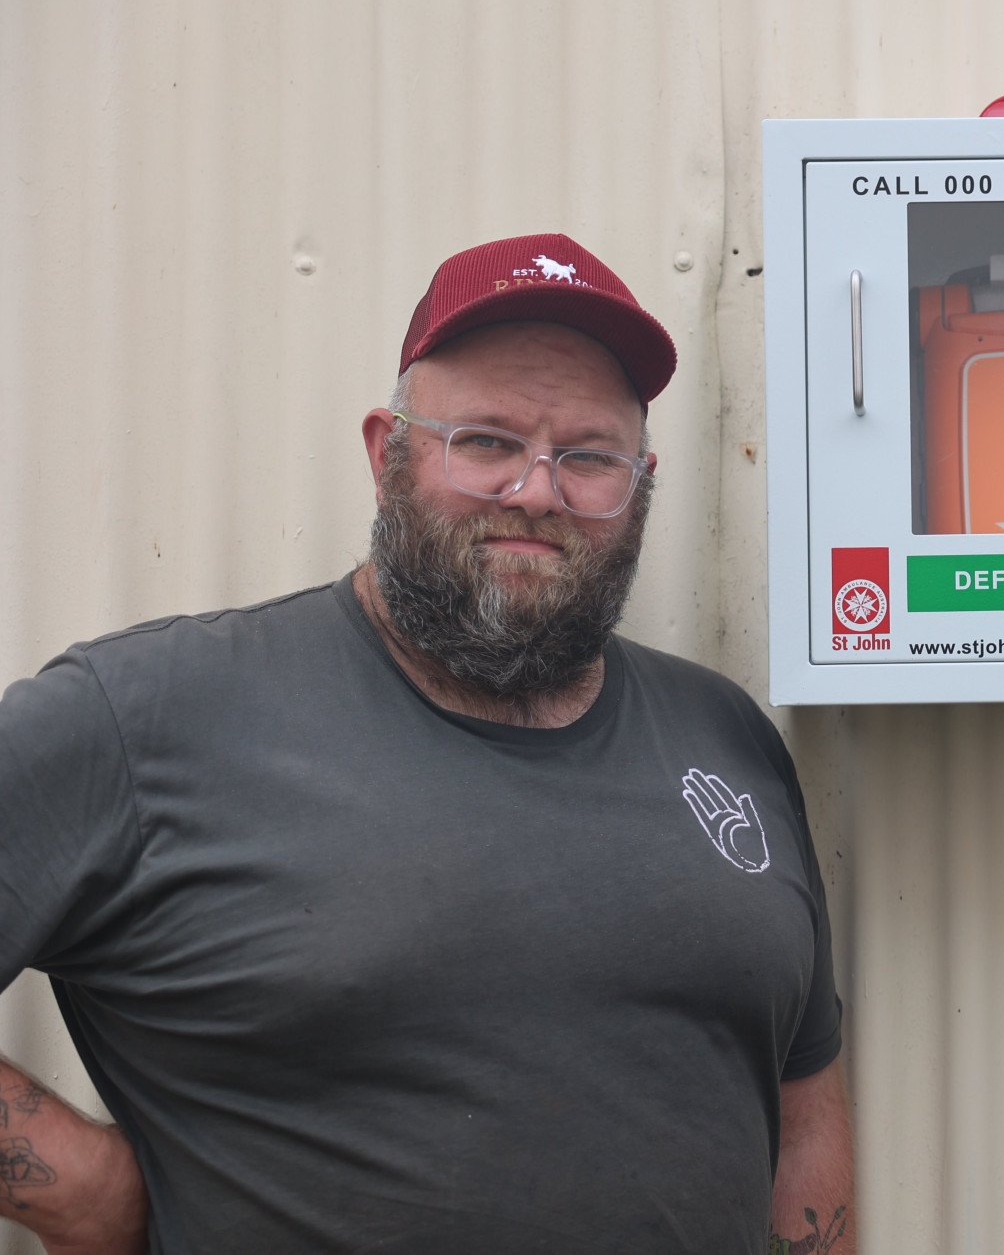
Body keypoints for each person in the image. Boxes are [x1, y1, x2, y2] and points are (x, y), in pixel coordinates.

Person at [0, 233, 853, 1255]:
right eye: (486, 441)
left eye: (588, 455)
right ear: (385, 451)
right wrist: (83, 1187)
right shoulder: (144, 719)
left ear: (640, 483)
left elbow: (803, 1113)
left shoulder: (725, 740)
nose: (537, 491)